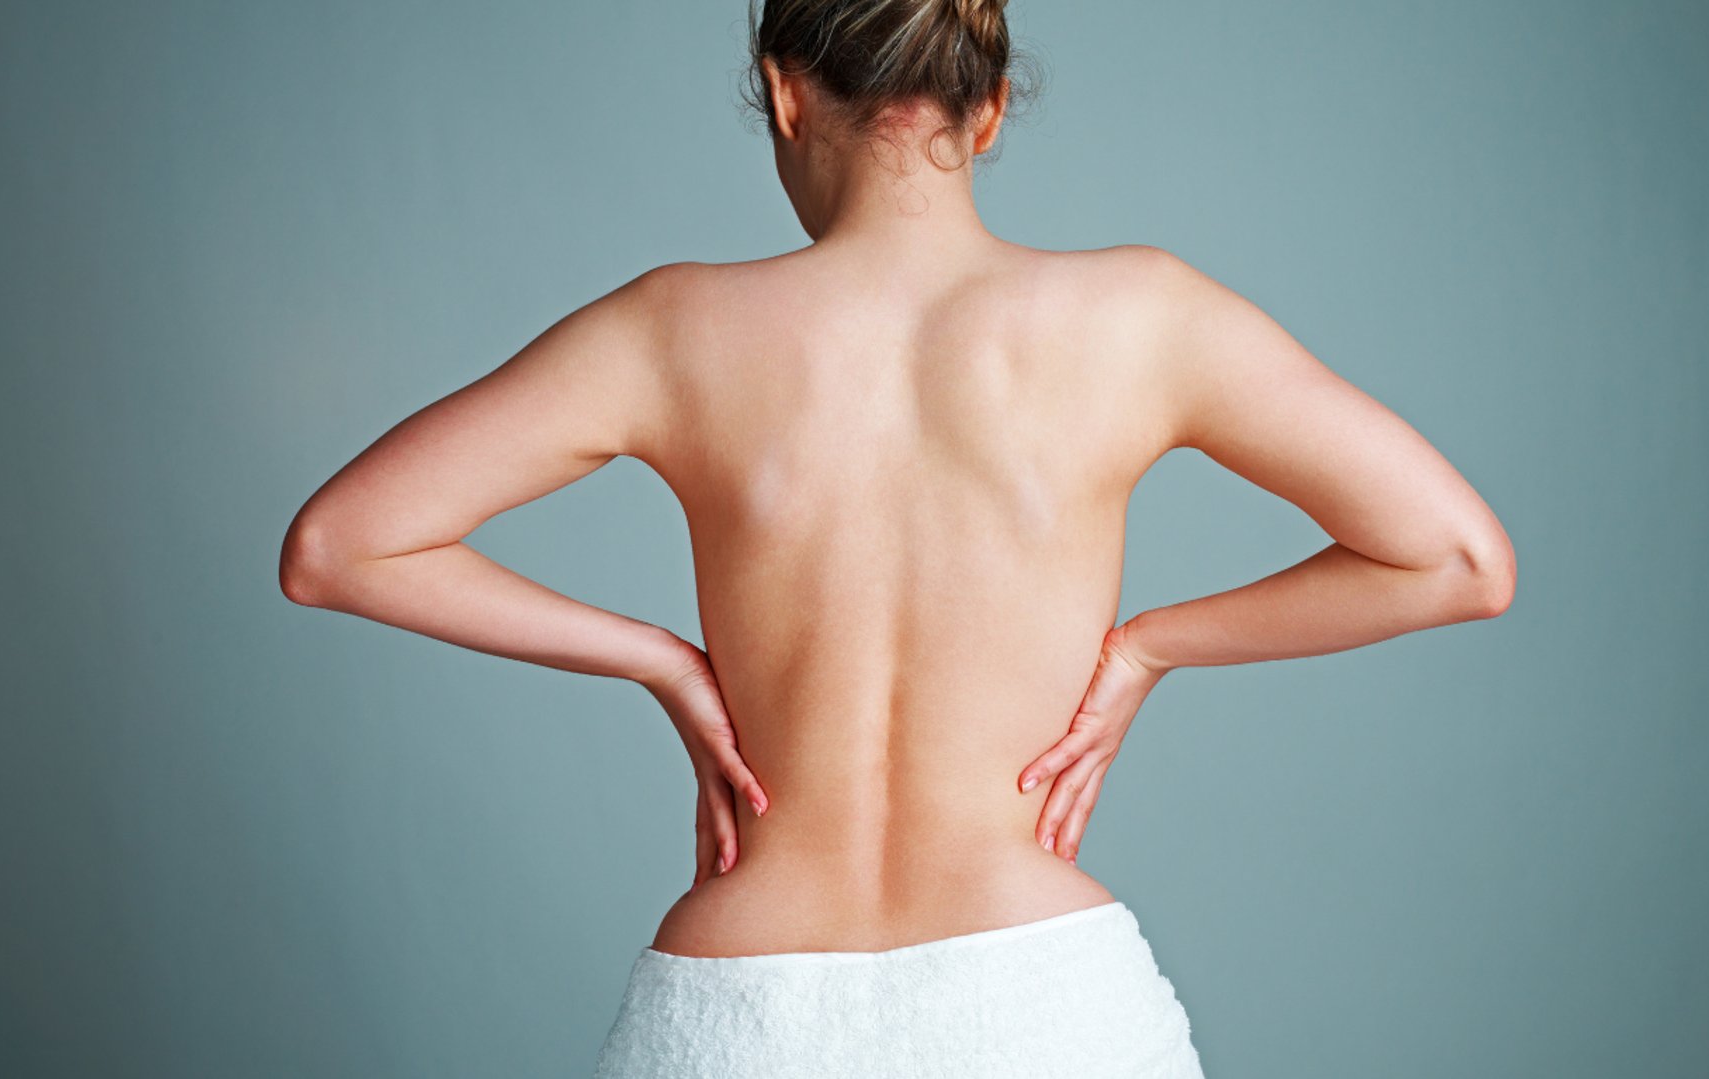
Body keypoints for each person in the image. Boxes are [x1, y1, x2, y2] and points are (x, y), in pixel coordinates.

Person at [279, 0, 1516, 1073]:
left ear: (781, 93)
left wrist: (659, 658)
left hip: (737, 1008)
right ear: (985, 116)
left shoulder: (672, 330)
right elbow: (1456, 557)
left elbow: (340, 546)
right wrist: (1148, 648)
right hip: (1044, 1010)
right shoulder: (1141, 317)